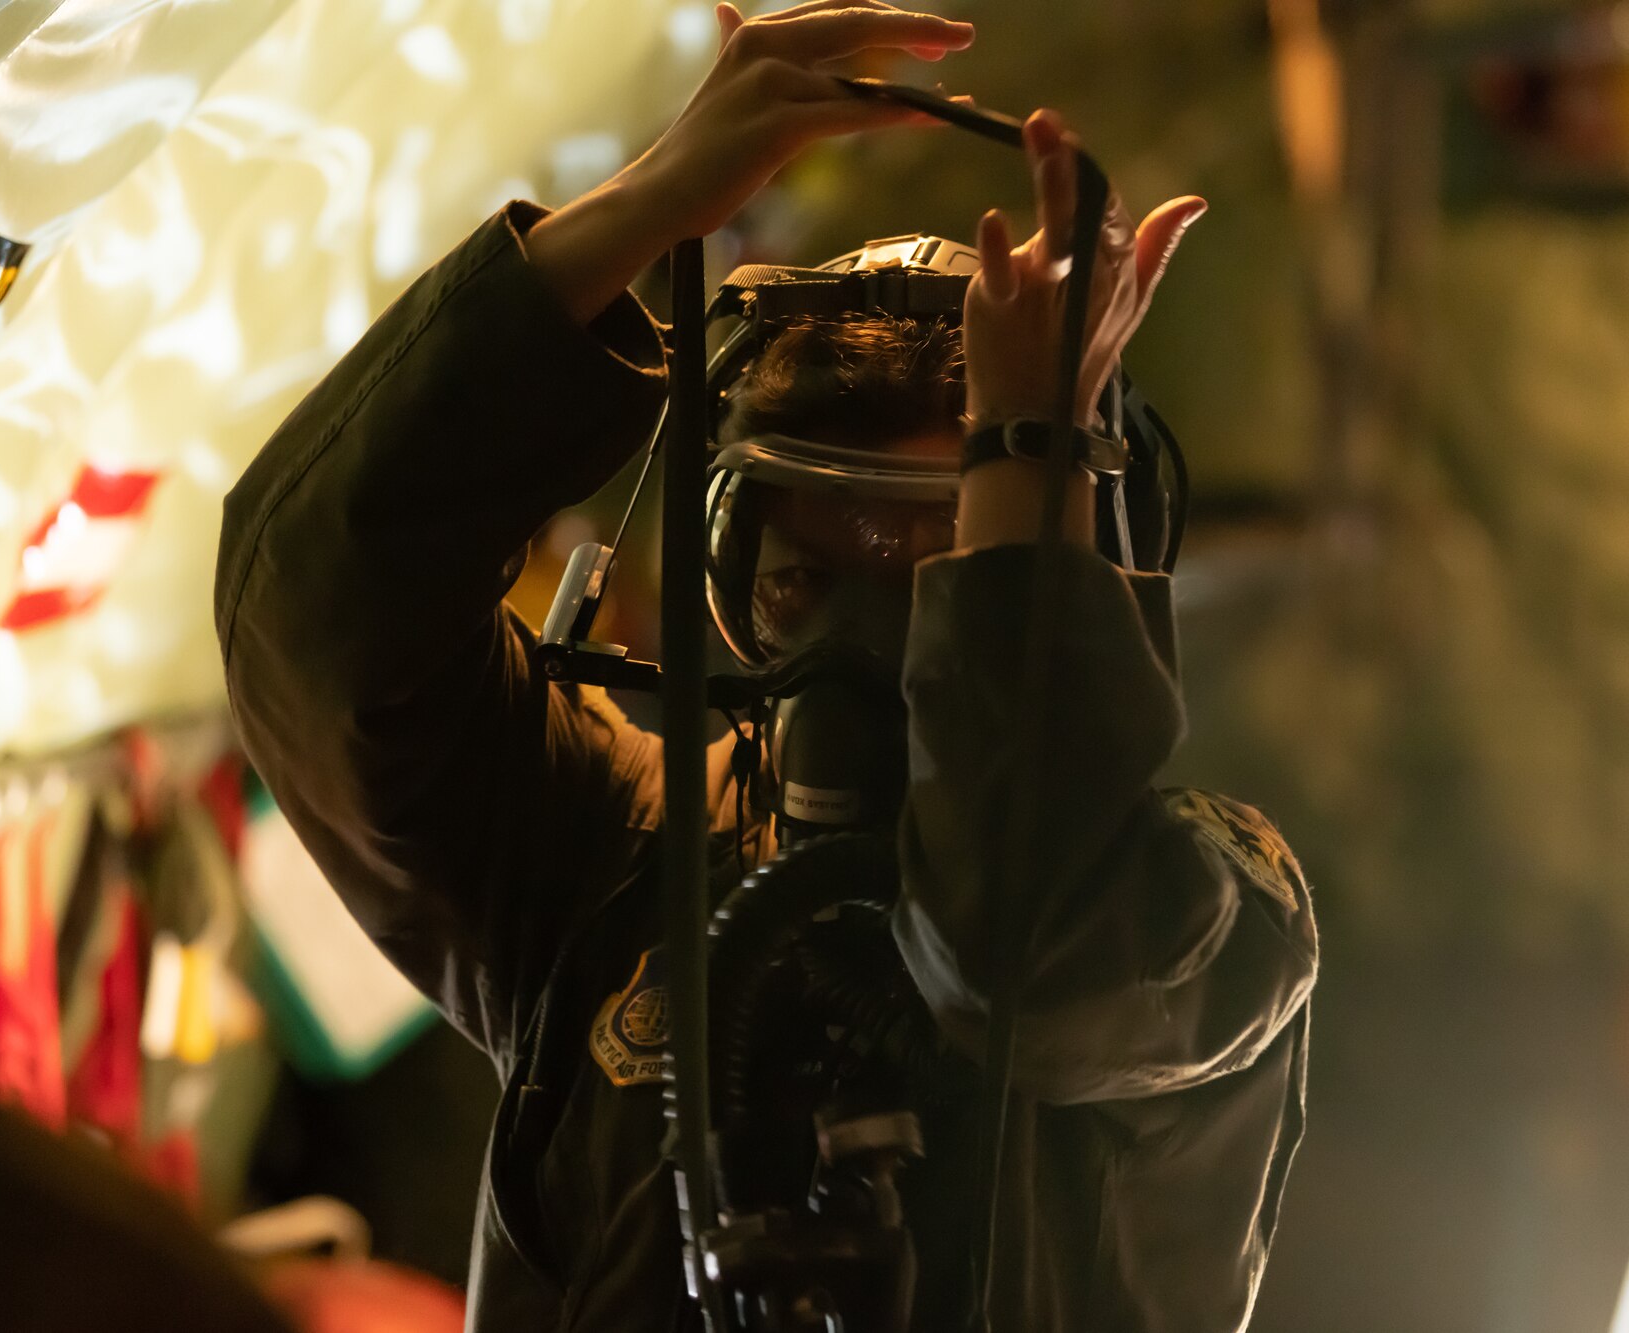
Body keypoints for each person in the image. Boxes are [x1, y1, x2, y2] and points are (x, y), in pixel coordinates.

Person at [215, 4, 1319, 1329]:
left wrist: (1034, 444)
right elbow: (318, 618)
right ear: (733, 578)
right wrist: (635, 213)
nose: (865, 642)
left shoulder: (1206, 913)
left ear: (1068, 565)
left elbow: (1017, 952)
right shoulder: (617, 846)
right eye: (807, 576)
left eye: (938, 577)